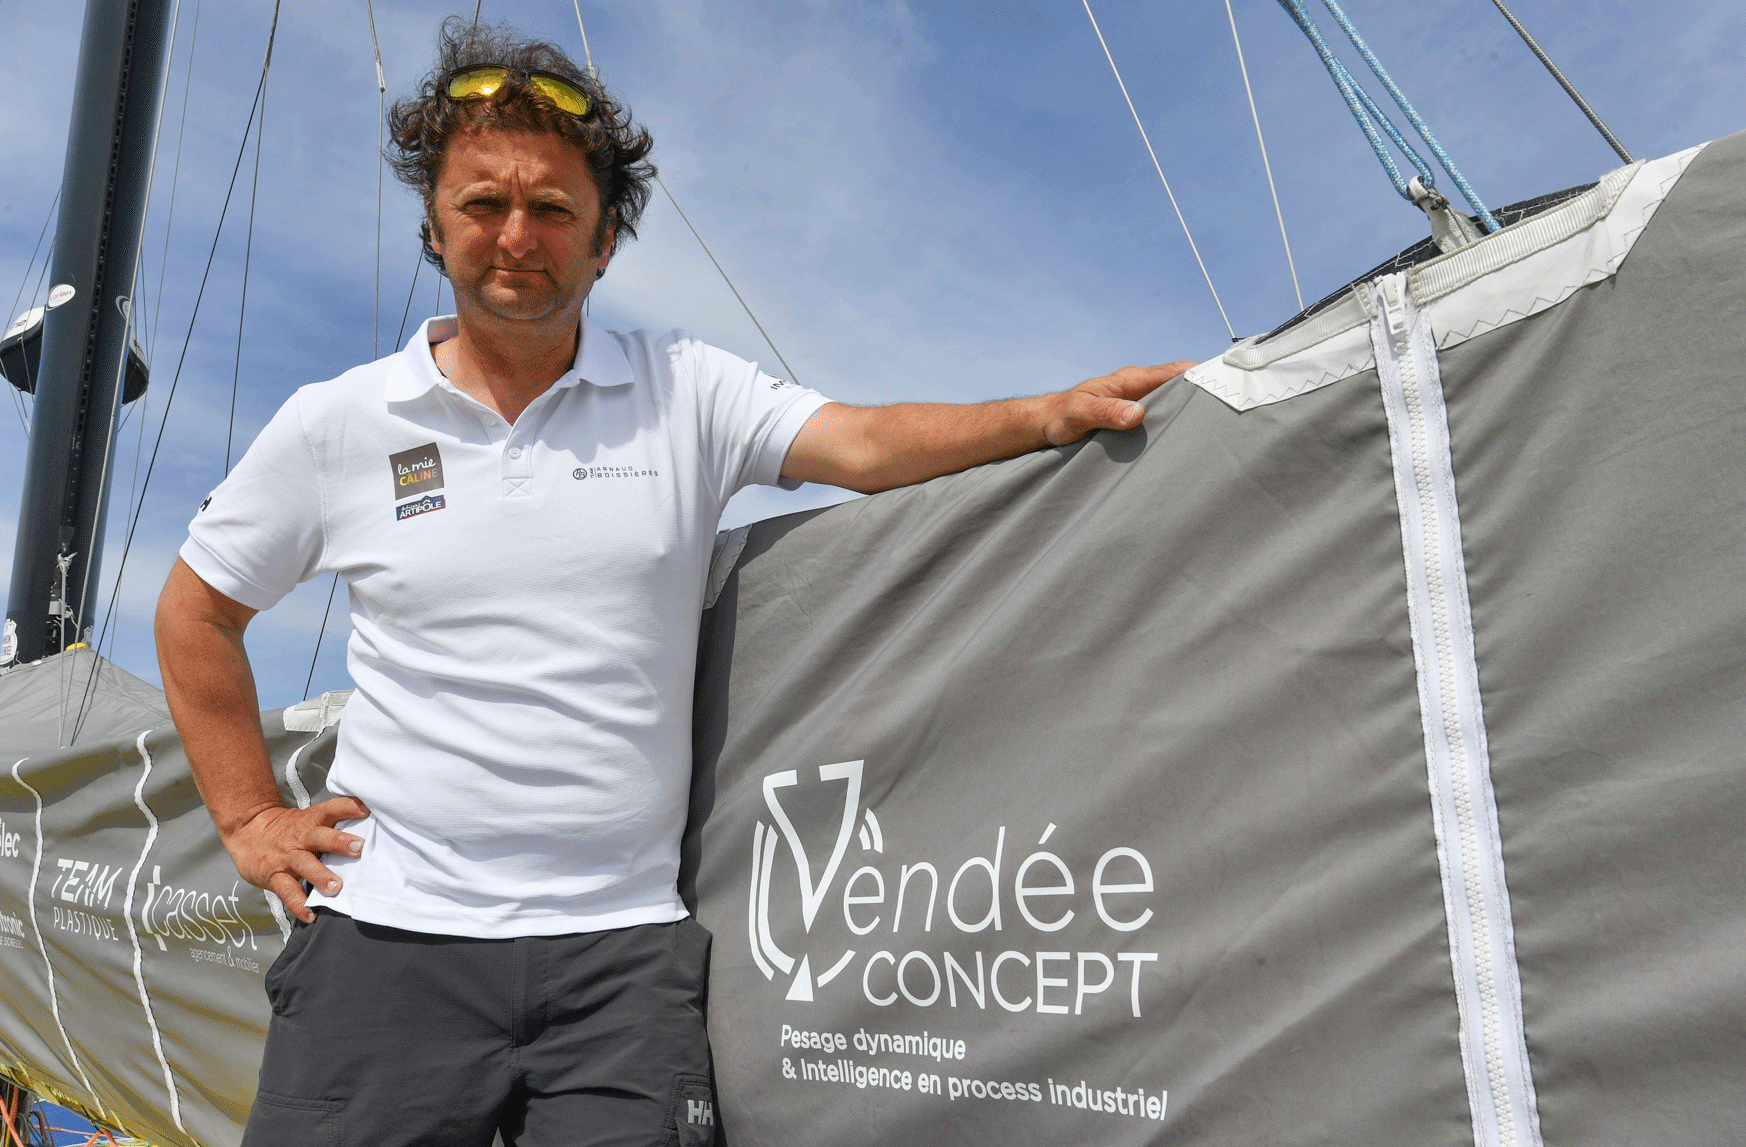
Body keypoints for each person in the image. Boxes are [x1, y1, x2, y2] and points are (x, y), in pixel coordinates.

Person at [153, 18, 1188, 1147]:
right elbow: (198, 609)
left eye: (554, 210)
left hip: (621, 960)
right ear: (434, 227)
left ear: (604, 239)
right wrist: (250, 816)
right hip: (385, 939)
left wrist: (1045, 413)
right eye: (483, 204)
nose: (517, 235)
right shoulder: (338, 422)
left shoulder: (685, 391)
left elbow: (862, 443)